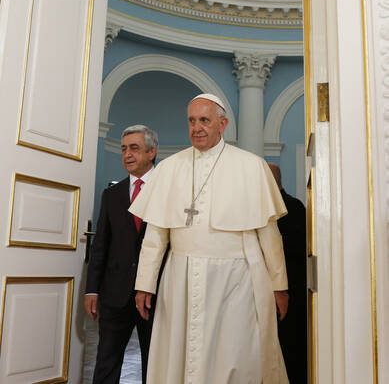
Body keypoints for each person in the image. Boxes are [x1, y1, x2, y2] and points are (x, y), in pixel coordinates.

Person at [132, 93, 290, 384]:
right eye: (192, 121)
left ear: (223, 124)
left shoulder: (251, 166)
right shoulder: (169, 168)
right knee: (180, 353)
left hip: (236, 280)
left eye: (204, 120)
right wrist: (144, 284)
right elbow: (155, 236)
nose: (197, 128)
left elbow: (269, 235)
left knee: (234, 354)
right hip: (180, 278)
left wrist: (279, 286)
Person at [85, 125, 158, 384]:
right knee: (106, 362)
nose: (127, 154)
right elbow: (101, 244)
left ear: (152, 152)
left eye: (134, 148)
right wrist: (91, 289)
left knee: (156, 363)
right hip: (115, 293)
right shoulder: (112, 194)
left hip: (156, 295)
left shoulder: (168, 190)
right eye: (124, 148)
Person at [268, 163, 307, 384]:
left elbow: (295, 248)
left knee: (290, 351)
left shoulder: (294, 207)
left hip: (291, 292)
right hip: (269, 291)